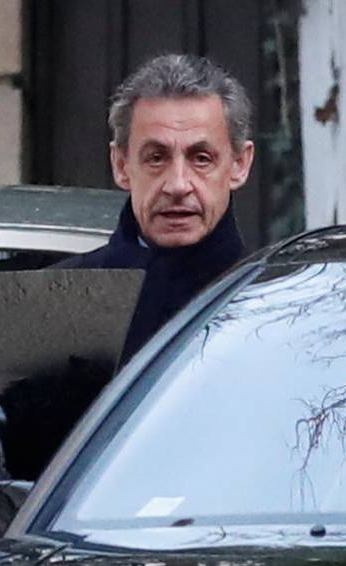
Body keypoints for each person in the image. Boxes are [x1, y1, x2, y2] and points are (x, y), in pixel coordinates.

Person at [55, 54, 255, 364]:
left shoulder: (276, 307)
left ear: (239, 165)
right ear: (121, 166)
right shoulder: (56, 303)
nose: (177, 185)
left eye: (201, 158)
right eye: (156, 158)